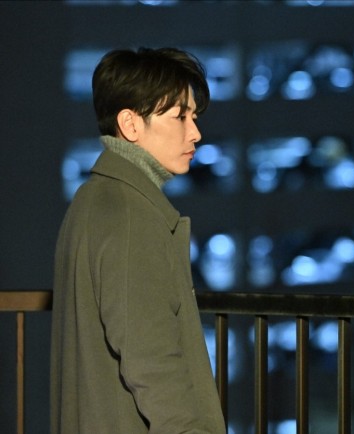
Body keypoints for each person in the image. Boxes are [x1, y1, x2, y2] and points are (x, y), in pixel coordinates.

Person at [50, 47, 226, 434]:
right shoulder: (130, 215)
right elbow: (153, 363)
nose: (195, 132)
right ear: (130, 124)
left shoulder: (92, 199)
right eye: (179, 116)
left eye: (194, 117)